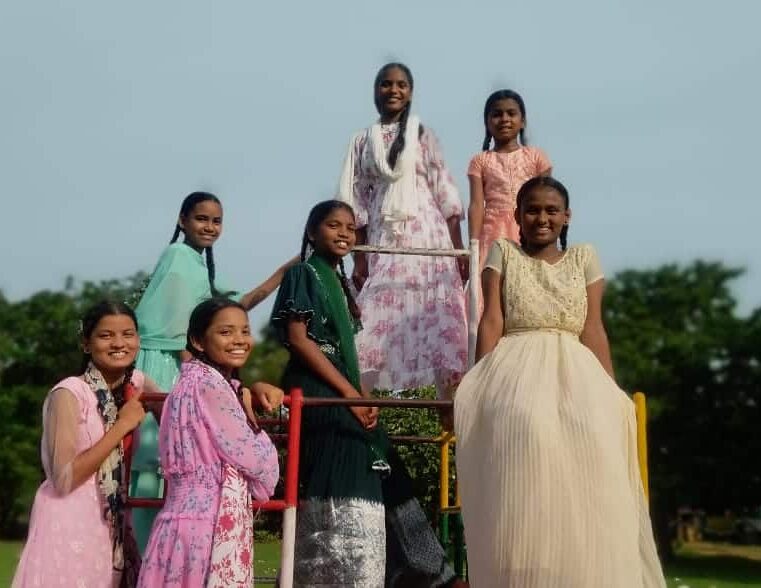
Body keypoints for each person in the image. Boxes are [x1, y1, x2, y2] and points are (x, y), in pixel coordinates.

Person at [454, 177, 666, 587]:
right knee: (526, 454)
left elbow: (594, 328)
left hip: (576, 368)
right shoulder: (503, 253)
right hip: (515, 368)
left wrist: (612, 390)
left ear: (567, 217)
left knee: (593, 462)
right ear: (516, 215)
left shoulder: (584, 257)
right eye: (532, 209)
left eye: (552, 210)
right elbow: (492, 319)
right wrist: (475, 382)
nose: (542, 218)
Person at [271, 200, 466, 587]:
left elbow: (349, 356)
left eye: (350, 227)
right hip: (319, 390)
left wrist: (365, 398)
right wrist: (351, 397)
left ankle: (423, 572)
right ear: (312, 233)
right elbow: (299, 339)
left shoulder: (340, 283)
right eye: (333, 225)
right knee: (351, 472)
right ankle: (337, 574)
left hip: (344, 387)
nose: (344, 233)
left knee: (385, 459)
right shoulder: (303, 273)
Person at [130, 191, 294, 552]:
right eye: (201, 218)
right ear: (182, 220)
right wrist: (219, 381)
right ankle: (143, 556)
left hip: (186, 364)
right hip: (166, 363)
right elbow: (178, 332)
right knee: (152, 466)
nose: (209, 226)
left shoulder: (198, 264)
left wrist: (283, 273)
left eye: (216, 221)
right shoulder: (178, 256)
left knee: (180, 468)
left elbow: (230, 312)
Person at [336, 62, 467, 397]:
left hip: (429, 241)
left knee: (441, 327)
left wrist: (459, 252)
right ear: (375, 90)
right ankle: (359, 412)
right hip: (384, 242)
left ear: (410, 92)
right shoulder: (362, 141)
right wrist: (359, 259)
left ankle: (452, 425)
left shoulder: (422, 134)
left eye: (401, 85)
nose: (393, 90)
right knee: (371, 328)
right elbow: (355, 202)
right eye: (386, 84)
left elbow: (446, 193)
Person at [138, 297, 281, 587]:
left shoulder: (192, 382)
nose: (239, 340)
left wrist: (247, 392)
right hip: (210, 525)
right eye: (226, 332)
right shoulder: (209, 385)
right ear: (198, 341)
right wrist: (260, 435)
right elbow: (252, 458)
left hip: (180, 521)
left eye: (244, 331)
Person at [13, 301, 151, 588]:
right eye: (105, 336)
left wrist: (247, 391)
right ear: (86, 344)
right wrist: (121, 426)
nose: (118, 343)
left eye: (128, 334)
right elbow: (63, 479)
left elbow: (188, 408)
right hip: (68, 521)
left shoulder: (136, 384)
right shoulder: (69, 393)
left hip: (112, 523)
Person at [467, 89, 552, 270]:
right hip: (492, 234)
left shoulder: (537, 158)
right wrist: (473, 246)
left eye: (511, 113)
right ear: (487, 123)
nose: (505, 119)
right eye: (497, 114)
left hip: (529, 229)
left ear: (523, 121)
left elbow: (547, 200)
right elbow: (476, 205)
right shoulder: (480, 161)